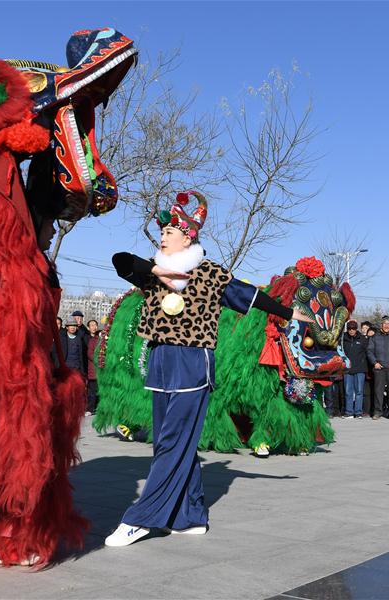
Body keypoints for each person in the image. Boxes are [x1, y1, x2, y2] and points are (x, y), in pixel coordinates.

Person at [103, 191, 311, 546]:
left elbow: (250, 296)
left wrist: (289, 313)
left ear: (188, 235)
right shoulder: (153, 274)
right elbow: (120, 260)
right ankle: (190, 515)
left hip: (192, 363)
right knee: (171, 444)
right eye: (163, 233)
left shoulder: (211, 273)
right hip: (160, 362)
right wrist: (156, 270)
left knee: (172, 441)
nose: (163, 236)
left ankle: (142, 518)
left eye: (169, 232)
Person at [342, 320, 369, 419]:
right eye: (349, 329)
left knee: (359, 391)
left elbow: (367, 352)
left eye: (353, 329)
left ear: (356, 329)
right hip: (347, 369)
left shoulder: (362, 339)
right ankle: (349, 412)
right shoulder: (343, 339)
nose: (351, 331)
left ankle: (358, 412)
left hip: (359, 369)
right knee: (348, 391)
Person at [86, 319, 101, 416]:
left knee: (100, 392)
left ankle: (99, 408)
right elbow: (90, 354)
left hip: (102, 372)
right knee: (92, 392)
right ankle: (90, 409)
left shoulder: (105, 341)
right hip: (93, 371)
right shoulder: (92, 341)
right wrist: (99, 360)